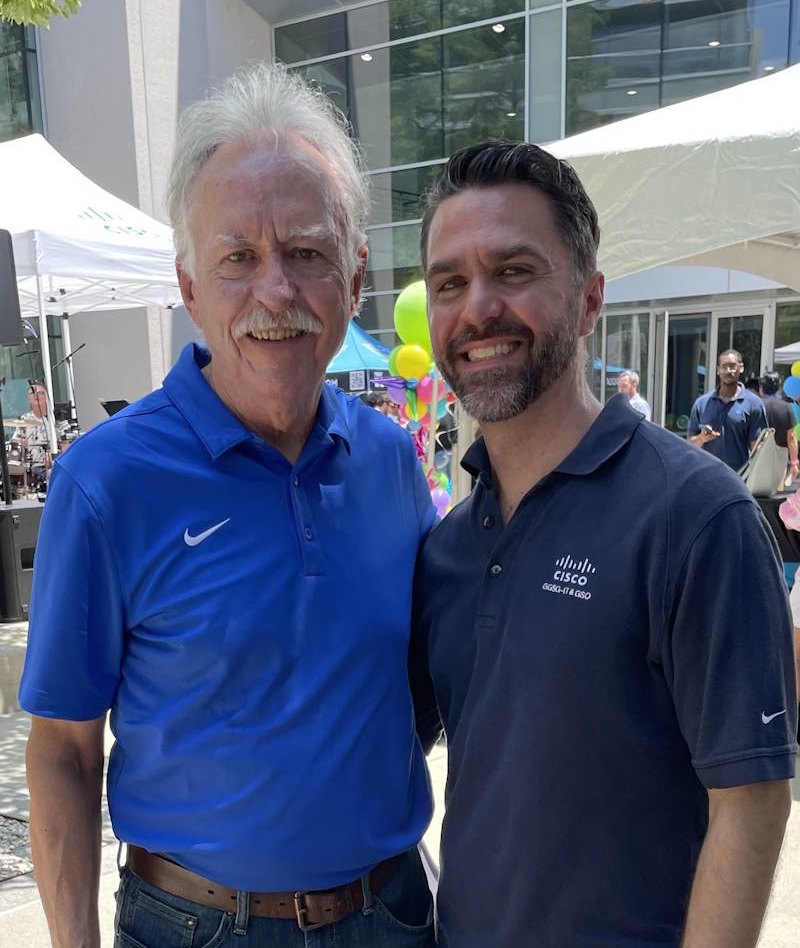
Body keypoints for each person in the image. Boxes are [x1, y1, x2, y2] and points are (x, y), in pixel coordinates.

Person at [20, 63, 437, 948]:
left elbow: (422, 680)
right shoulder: (106, 481)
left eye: (308, 253)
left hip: (392, 916)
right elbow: (61, 747)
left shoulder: (392, 462)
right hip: (194, 928)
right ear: (188, 284)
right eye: (238, 257)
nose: (275, 292)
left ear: (355, 276)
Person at [410, 140, 797, 948]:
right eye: (450, 282)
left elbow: (753, 798)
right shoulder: (446, 547)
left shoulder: (697, 518)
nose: (477, 307)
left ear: (589, 302)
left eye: (514, 270)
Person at [687, 350, 768, 470]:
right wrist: (701, 438)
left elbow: (757, 447)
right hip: (706, 476)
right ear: (718, 370)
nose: (728, 371)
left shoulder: (753, 404)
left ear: (741, 368)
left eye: (732, 366)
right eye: (724, 367)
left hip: (738, 478)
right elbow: (689, 445)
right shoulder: (702, 404)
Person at [9, 380, 70, 486]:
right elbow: (16, 442)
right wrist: (21, 443)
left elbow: (67, 445)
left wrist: (55, 456)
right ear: (29, 399)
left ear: (46, 397)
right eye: (33, 393)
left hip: (55, 464)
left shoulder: (57, 419)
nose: (36, 395)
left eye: (40, 393)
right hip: (33, 466)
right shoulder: (24, 420)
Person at [759, 371, 799, 481]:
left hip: (758, 457)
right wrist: (794, 462)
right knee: (777, 493)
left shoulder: (756, 405)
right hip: (780, 458)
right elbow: (791, 437)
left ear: (761, 388)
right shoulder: (786, 407)